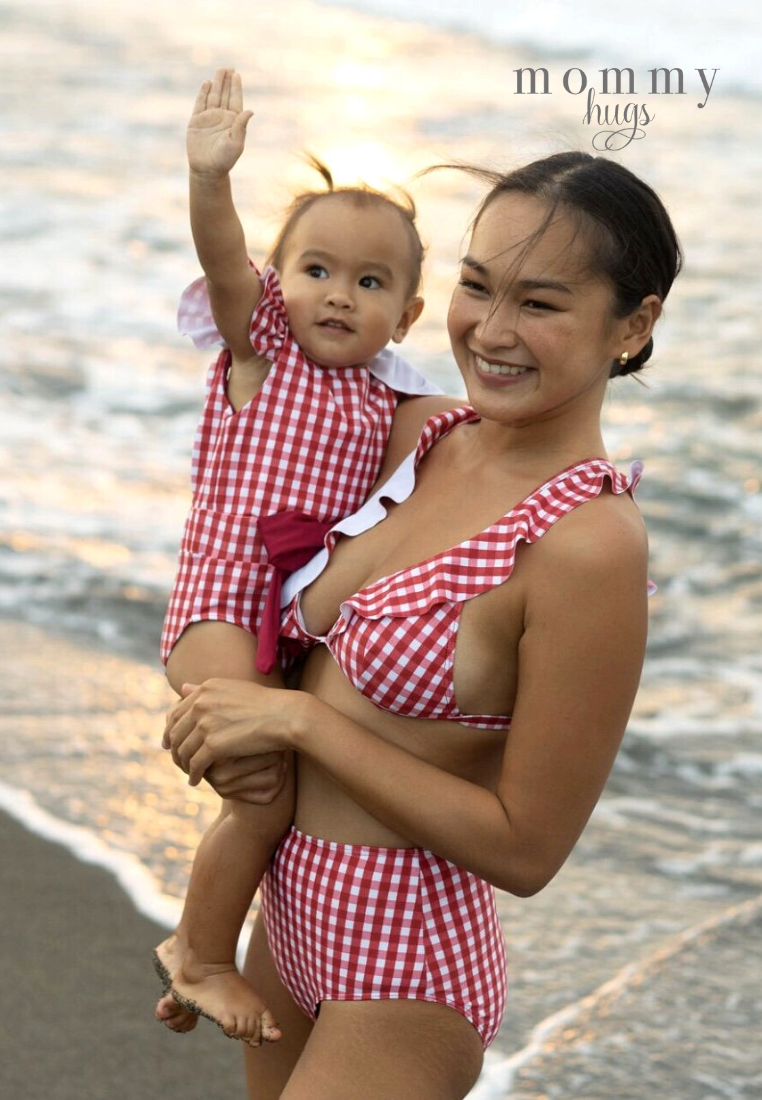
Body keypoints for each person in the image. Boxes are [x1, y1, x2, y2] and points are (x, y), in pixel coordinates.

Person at [163, 150, 682, 1100]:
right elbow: (253, 459)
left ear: (633, 323)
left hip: (404, 968)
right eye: (477, 286)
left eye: (542, 302)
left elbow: (527, 846)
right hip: (287, 921)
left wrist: (296, 723)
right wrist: (216, 705)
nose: (491, 330)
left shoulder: (588, 544)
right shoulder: (415, 434)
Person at [154, 67, 446, 1045]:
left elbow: (460, 449)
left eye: (371, 283)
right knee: (265, 785)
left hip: (280, 635)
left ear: (406, 316)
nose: (338, 295)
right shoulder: (263, 347)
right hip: (217, 611)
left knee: (269, 797)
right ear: (282, 283)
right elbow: (227, 259)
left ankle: (200, 952)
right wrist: (210, 182)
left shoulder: (385, 400)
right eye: (317, 269)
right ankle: (197, 951)